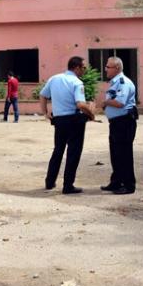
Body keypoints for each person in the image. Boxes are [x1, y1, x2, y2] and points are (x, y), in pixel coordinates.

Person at [39, 56, 95, 194]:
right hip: (74, 121)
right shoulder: (77, 83)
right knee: (73, 153)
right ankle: (68, 185)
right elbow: (80, 104)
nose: (84, 70)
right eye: (83, 67)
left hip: (59, 121)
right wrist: (91, 114)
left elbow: (42, 95)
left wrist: (45, 112)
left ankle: (50, 181)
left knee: (58, 151)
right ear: (76, 67)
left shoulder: (54, 79)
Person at [100, 56, 138, 195]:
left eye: (108, 67)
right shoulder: (114, 82)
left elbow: (120, 102)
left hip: (124, 122)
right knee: (116, 154)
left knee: (124, 154)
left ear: (116, 68)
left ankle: (128, 185)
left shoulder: (123, 82)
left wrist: (105, 103)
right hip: (116, 123)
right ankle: (116, 182)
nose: (105, 69)